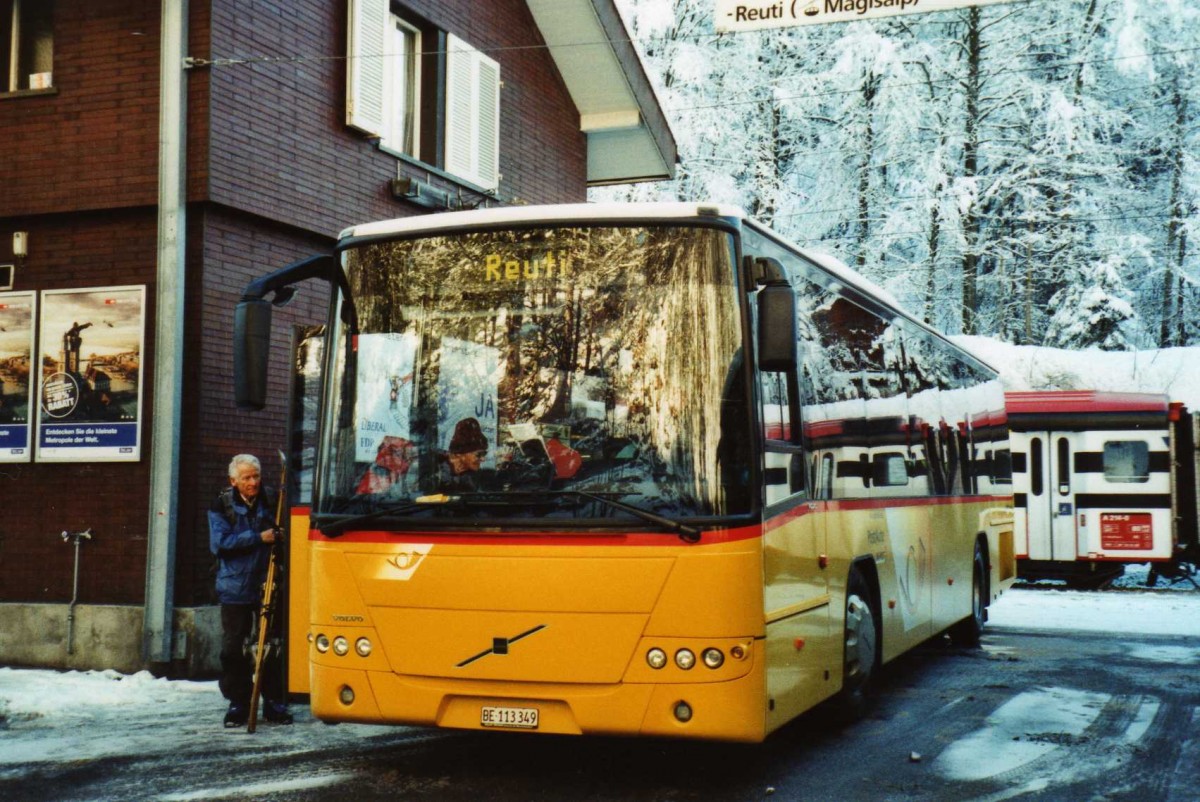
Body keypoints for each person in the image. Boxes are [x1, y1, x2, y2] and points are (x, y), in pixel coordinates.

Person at [208, 453, 293, 727]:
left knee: (273, 645)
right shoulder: (222, 505)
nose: (253, 482)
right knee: (235, 647)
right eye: (246, 478)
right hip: (235, 585)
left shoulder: (271, 500)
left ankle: (273, 702)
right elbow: (220, 543)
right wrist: (259, 538)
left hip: (268, 582)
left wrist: (279, 536)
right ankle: (239, 703)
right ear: (233, 480)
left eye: (256, 476)